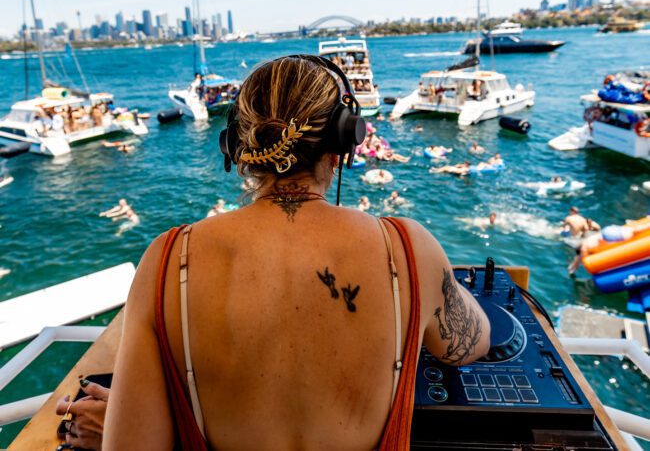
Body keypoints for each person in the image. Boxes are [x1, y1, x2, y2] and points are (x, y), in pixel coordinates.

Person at [102, 56, 490, 450]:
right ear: (344, 141)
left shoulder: (167, 261)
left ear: (236, 147)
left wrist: (115, 418)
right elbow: (471, 344)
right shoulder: (409, 249)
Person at [563, 207, 602, 275]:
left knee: (578, 254)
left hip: (576, 239)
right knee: (579, 255)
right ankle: (572, 267)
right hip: (586, 238)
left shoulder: (569, 218)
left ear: (571, 211)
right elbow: (586, 229)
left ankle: (572, 268)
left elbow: (563, 227)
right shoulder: (582, 219)